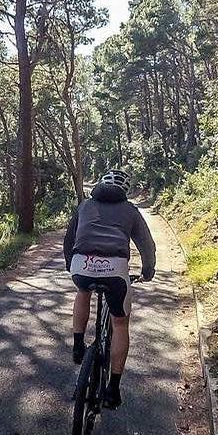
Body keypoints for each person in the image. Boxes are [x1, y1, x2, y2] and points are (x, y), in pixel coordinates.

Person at [63, 169, 156, 409]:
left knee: (82, 292)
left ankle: (77, 345)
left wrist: (69, 264)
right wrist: (148, 270)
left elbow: (69, 238)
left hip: (81, 264)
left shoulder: (84, 205)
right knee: (120, 323)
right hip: (115, 269)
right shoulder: (130, 211)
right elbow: (146, 243)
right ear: (125, 190)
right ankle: (113, 389)